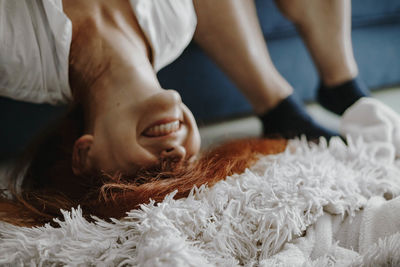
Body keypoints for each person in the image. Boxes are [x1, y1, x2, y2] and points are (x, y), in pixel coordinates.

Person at [0, 0, 368, 224]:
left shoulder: (14, 54)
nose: (173, 154)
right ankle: (335, 86)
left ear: (85, 153)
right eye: (185, 164)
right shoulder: (174, 24)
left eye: (145, 173)